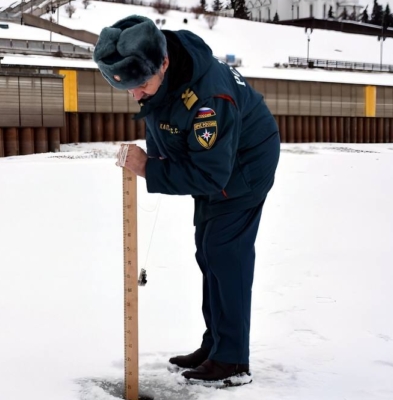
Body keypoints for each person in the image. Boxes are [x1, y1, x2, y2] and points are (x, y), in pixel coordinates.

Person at [93, 15, 280, 385]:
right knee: (208, 252)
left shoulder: (208, 100)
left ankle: (232, 361)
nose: (136, 94)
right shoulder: (165, 62)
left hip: (242, 169)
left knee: (226, 256)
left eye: (141, 85)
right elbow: (169, 120)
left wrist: (151, 168)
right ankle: (216, 345)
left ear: (163, 63)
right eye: (128, 88)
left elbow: (211, 173)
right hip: (216, 165)